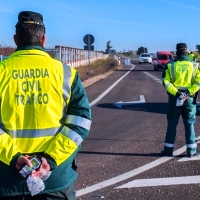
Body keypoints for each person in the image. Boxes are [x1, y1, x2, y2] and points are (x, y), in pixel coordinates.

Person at [0, 11, 92, 199]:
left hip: (8, 180)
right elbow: (80, 122)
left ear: (16, 39)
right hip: (54, 180)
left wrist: (15, 158)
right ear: (43, 39)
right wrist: (50, 160)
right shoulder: (67, 74)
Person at [161, 43, 200, 157]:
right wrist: (188, 93)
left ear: (176, 52)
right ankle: (191, 151)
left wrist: (177, 93)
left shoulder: (170, 65)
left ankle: (168, 150)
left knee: (172, 123)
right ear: (187, 52)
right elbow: (198, 82)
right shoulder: (195, 66)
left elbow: (165, 82)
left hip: (174, 98)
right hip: (189, 98)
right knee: (189, 123)